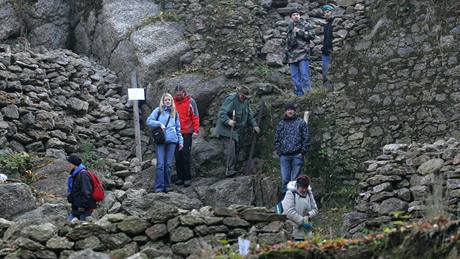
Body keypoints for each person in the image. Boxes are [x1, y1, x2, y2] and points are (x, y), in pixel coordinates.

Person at [215, 86, 260, 177]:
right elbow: (222, 113)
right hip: (226, 130)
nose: (244, 99)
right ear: (239, 94)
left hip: (236, 130)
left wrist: (254, 125)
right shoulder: (231, 99)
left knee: (236, 149)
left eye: (247, 98)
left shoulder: (245, 102)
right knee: (230, 149)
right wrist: (228, 121)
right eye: (243, 97)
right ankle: (229, 170)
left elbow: (249, 114)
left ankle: (233, 169)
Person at [147, 93, 184, 193]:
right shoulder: (158, 110)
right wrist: (159, 124)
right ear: (162, 101)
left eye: (169, 100)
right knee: (160, 165)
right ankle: (159, 187)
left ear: (172, 101)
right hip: (161, 141)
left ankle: (167, 186)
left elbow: (178, 128)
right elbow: (149, 121)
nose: (168, 102)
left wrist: (181, 141)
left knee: (168, 165)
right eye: (166, 100)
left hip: (172, 141)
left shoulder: (175, 113)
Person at [274, 102, 310, 194]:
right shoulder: (281, 124)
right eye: (288, 110)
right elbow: (276, 139)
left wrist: (302, 152)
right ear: (285, 111)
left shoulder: (301, 122)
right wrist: (279, 152)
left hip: (297, 155)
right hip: (284, 156)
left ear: (294, 111)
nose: (290, 111)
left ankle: (295, 201)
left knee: (295, 181)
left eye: (291, 110)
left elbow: (306, 137)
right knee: (285, 180)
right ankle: (285, 203)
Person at [173, 85, 200, 187]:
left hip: (187, 132)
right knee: (177, 155)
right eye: (177, 94)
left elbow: (195, 116)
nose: (179, 96)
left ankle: (187, 177)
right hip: (175, 133)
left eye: (181, 94)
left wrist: (196, 130)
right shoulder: (173, 103)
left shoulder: (191, 102)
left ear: (184, 92)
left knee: (185, 155)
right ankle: (180, 177)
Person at [286, 9, 316, 96]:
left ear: (300, 16)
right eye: (294, 15)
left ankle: (308, 93)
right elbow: (287, 41)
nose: (296, 16)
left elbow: (312, 35)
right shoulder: (289, 26)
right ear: (291, 17)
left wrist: (299, 31)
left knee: (304, 75)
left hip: (303, 53)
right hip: (292, 56)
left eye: (297, 14)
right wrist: (286, 54)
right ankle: (300, 94)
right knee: (294, 77)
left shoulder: (305, 24)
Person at [281, 176, 318, 241]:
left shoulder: (309, 193)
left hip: (307, 231)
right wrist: (303, 221)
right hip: (293, 230)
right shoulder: (290, 193)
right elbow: (289, 211)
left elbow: (315, 209)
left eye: (306, 188)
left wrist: (309, 215)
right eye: (302, 188)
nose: (304, 190)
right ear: (298, 186)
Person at [66, 155, 96, 221]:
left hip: (83, 209)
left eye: (70, 163)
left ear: (74, 164)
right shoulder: (75, 175)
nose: (68, 165)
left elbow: (87, 192)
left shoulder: (83, 175)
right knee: (69, 226)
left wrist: (82, 207)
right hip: (76, 208)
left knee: (83, 229)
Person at [321, 4, 335, 88]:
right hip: (325, 52)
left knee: (332, 70)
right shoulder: (326, 25)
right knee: (325, 71)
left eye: (328, 11)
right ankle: (327, 89)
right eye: (325, 12)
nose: (326, 13)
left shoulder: (335, 23)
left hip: (332, 51)